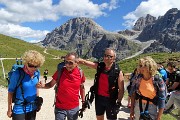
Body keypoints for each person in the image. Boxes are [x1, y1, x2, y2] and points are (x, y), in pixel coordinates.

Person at [78, 48, 124, 120]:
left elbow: (121, 90)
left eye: (109, 56)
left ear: (114, 58)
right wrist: (72, 59)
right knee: (99, 118)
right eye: (105, 55)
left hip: (111, 100)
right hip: (99, 99)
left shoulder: (117, 72)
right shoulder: (100, 66)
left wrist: (118, 103)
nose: (106, 58)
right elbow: (85, 62)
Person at [36, 52, 86, 120]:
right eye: (66, 62)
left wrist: (83, 101)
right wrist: (42, 86)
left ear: (76, 62)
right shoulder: (60, 71)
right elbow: (51, 84)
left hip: (74, 108)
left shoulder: (80, 73)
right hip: (60, 107)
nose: (67, 65)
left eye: (70, 63)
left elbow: (82, 87)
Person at [7, 50, 45, 120]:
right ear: (25, 63)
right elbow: (10, 92)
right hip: (19, 108)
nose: (33, 68)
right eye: (31, 65)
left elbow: (36, 87)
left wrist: (38, 101)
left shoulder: (37, 72)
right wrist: (9, 109)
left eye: (36, 66)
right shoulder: (17, 74)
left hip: (32, 107)